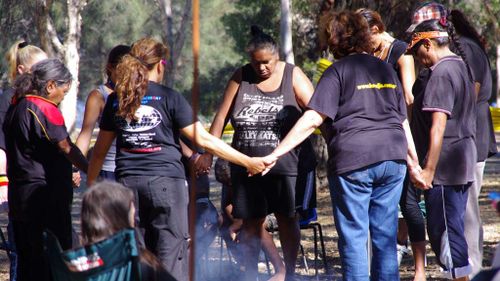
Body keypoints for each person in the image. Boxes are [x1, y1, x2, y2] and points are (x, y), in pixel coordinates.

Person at [86, 37, 266, 281]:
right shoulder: (169, 97)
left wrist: (91, 186)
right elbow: (205, 140)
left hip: (126, 187)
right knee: (171, 255)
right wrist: (248, 161)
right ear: (160, 65)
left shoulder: (117, 99)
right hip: (166, 186)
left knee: (135, 254)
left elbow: (99, 151)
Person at [262, 10, 422, 280]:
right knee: (385, 238)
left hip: (354, 160)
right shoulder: (384, 68)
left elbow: (313, 118)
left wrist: (276, 153)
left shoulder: (337, 72)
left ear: (335, 38)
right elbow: (402, 121)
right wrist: (414, 162)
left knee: (355, 238)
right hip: (392, 159)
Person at [195, 25, 316, 281]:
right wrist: (207, 153)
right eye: (256, 62)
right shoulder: (241, 76)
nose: (261, 68)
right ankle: (250, 275)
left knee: (287, 218)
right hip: (247, 165)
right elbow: (221, 117)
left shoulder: (292, 75)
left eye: (267, 62)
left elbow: (318, 112)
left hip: (285, 166)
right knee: (250, 223)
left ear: (276, 56)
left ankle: (289, 274)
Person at [406, 3, 498, 278]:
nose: (416, 57)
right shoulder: (460, 65)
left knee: (444, 228)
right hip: (460, 158)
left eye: (415, 50)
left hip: (445, 164)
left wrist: (429, 170)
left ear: (428, 44)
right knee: (450, 225)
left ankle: (461, 275)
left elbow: (438, 126)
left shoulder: (442, 73)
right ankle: (461, 273)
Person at [3, 58, 88, 281]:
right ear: (50, 86)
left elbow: (34, 152)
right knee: (51, 262)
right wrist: (90, 168)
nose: (62, 98)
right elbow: (65, 146)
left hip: (19, 198)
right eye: (63, 91)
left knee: (27, 263)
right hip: (44, 200)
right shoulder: (43, 107)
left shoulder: (16, 105)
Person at [357, 8, 426, 279]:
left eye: (364, 36)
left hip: (400, 133)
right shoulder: (364, 54)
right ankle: (385, 256)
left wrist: (406, 138)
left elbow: (409, 99)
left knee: (409, 204)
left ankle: (419, 268)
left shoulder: (401, 52)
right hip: (371, 138)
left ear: (376, 30)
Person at [0, 40, 49, 281]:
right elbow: (2, 145)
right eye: (39, 69)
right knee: (20, 251)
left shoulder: (37, 100)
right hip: (18, 186)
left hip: (38, 186)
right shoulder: (10, 99)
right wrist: (3, 183)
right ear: (22, 70)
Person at [81, 181, 176, 281]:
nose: (134, 215)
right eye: (132, 208)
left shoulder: (74, 264)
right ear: (122, 217)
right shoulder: (141, 264)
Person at [75, 44, 131, 181]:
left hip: (134, 169)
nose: (126, 75)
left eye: (130, 70)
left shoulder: (140, 93)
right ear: (110, 68)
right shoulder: (99, 96)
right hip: (109, 168)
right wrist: (74, 167)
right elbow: (86, 134)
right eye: (122, 70)